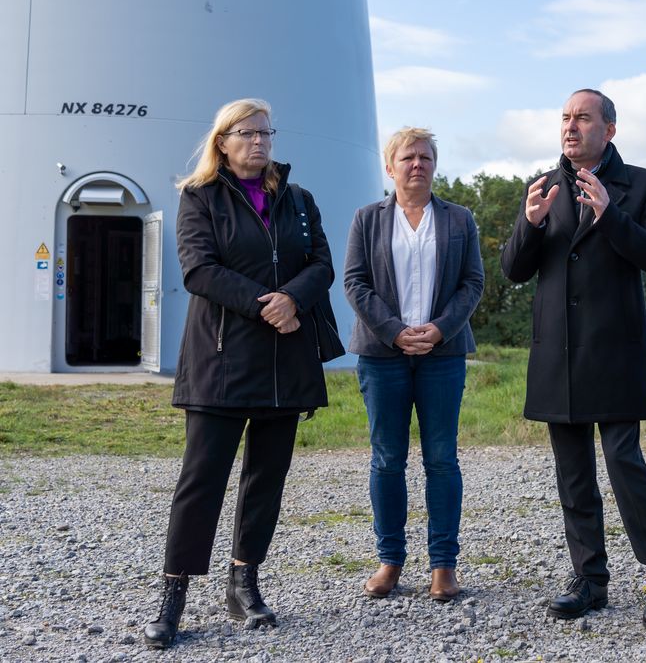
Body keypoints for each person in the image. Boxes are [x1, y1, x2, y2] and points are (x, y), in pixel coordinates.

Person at [143, 99, 334, 648]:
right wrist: (264, 303)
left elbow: (320, 263)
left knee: (265, 481)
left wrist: (293, 298)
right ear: (222, 141)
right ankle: (173, 595)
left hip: (284, 361)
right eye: (248, 133)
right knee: (200, 483)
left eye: (267, 132)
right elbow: (199, 270)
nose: (260, 142)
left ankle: (243, 585)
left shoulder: (298, 201)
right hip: (221, 361)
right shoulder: (199, 198)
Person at [500, 89, 646, 630]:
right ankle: (589, 580)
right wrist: (529, 223)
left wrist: (611, 217)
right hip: (557, 355)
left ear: (609, 129)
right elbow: (514, 270)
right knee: (572, 472)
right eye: (564, 117)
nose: (570, 126)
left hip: (615, 351)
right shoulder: (544, 186)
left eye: (582, 118)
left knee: (625, 462)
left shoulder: (644, 185)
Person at [344, 127, 484, 602]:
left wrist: (441, 328)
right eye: (408, 157)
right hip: (383, 355)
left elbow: (472, 282)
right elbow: (355, 282)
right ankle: (390, 560)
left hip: (442, 355)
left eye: (425, 157)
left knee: (441, 459)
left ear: (434, 165)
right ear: (391, 166)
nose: (417, 164)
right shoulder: (367, 219)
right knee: (387, 460)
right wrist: (394, 330)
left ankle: (443, 565)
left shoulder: (460, 219)